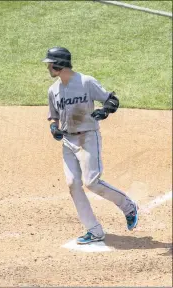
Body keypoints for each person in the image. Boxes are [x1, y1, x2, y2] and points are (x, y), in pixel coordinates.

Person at [42, 47, 139, 244]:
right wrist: (54, 128)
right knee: (72, 184)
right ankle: (93, 230)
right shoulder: (53, 90)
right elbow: (53, 117)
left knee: (92, 182)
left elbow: (111, 100)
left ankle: (128, 206)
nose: (48, 67)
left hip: (87, 137)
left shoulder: (86, 82)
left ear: (59, 64)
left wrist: (104, 111)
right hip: (68, 142)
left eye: (50, 63)